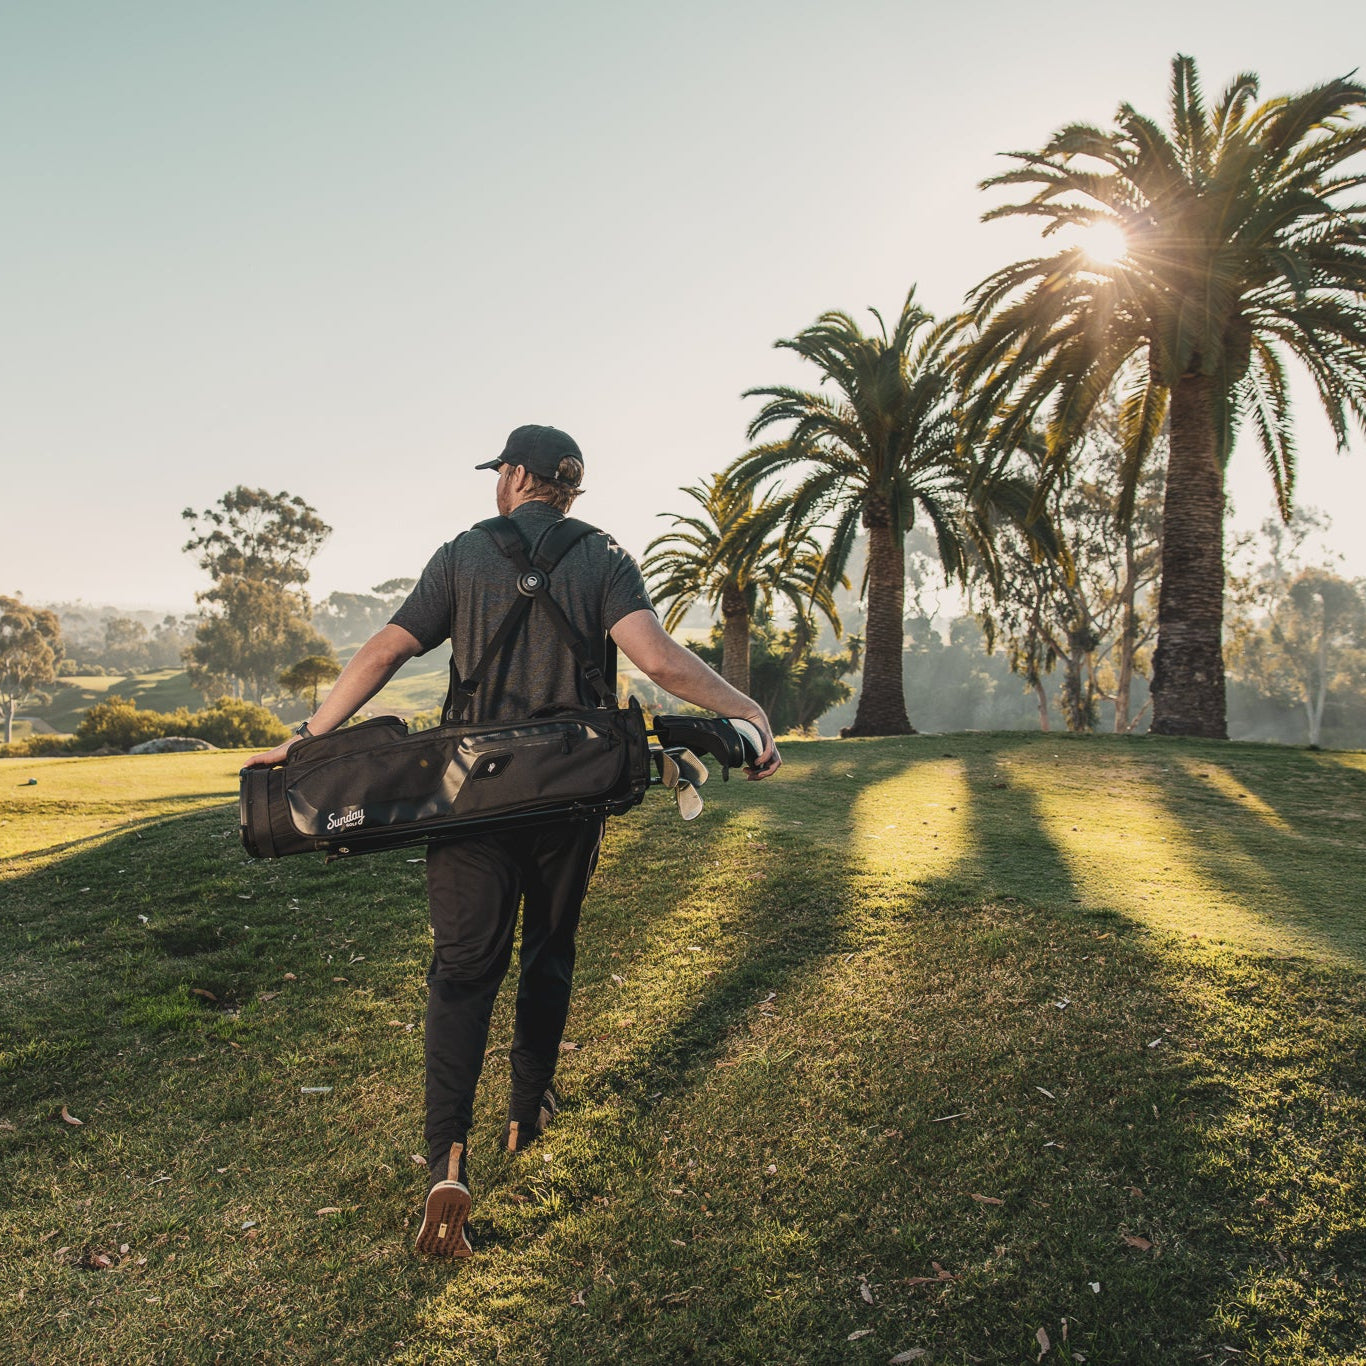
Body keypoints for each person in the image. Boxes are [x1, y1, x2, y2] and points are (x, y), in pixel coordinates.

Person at [244, 424, 781, 1258]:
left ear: (518, 476)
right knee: (549, 952)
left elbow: (388, 649)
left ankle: (446, 1158)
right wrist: (745, 708)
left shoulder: (464, 554)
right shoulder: (603, 555)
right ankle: (526, 1115)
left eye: (502, 472)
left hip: (471, 800)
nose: (499, 483)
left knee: (462, 972)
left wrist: (308, 736)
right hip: (570, 796)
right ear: (569, 490)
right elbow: (657, 659)